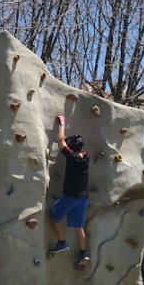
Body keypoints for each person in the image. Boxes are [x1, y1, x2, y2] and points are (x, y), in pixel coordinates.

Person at [48, 114, 90, 267]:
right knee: (78, 226)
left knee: (53, 215)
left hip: (71, 196)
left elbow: (60, 140)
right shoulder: (86, 157)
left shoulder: (71, 156)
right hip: (83, 198)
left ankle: (62, 242)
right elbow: (66, 144)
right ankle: (83, 253)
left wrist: (62, 123)